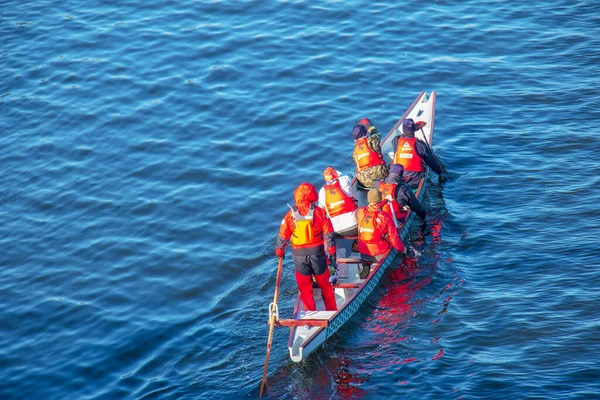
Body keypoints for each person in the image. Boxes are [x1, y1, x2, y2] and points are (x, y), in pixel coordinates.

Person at [275, 182, 338, 312]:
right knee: (325, 286)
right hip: (318, 255)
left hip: (299, 258)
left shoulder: (289, 216)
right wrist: (332, 252)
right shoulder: (320, 213)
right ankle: (331, 311)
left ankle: (310, 314)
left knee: (305, 288)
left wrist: (279, 253)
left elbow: (282, 237)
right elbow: (329, 234)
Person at [356, 189, 405, 279]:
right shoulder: (384, 217)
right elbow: (394, 239)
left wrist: (385, 201)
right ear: (379, 200)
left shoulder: (360, 212)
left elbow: (373, 207)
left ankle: (366, 265)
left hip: (363, 251)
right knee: (390, 242)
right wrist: (402, 250)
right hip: (378, 253)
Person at [391, 118, 448, 189]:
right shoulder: (420, 144)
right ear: (413, 130)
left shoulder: (395, 141)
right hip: (414, 180)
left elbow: (403, 136)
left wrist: (414, 128)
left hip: (397, 178)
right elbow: (430, 162)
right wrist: (439, 171)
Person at [318, 167, 358, 237]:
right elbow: (349, 179)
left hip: (337, 231)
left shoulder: (322, 191)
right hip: (355, 227)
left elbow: (320, 210)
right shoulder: (344, 180)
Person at [352, 118, 388, 189]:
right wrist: (370, 126)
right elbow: (377, 134)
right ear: (365, 132)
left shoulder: (354, 151)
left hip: (366, 181)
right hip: (380, 174)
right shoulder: (371, 141)